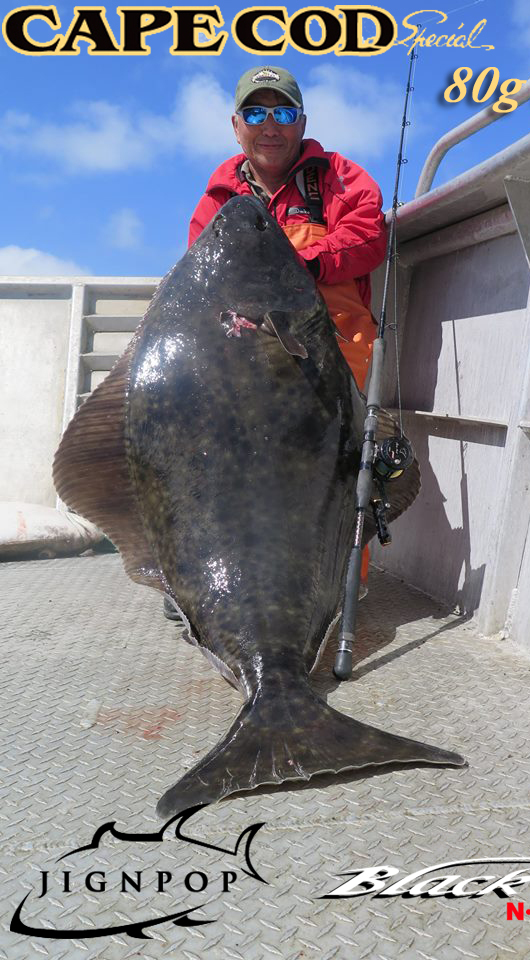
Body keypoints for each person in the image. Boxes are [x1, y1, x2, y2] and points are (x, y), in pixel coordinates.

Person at [165, 65, 386, 621]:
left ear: (301, 122)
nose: (271, 125)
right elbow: (198, 278)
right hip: (244, 359)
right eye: (257, 114)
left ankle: (333, 589)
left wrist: (303, 263)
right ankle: (208, 581)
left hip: (327, 354)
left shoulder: (338, 178)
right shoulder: (218, 197)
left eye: (283, 112)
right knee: (227, 467)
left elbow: (366, 235)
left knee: (329, 471)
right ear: (236, 125)